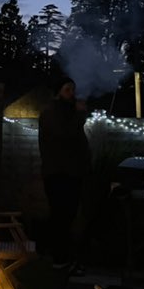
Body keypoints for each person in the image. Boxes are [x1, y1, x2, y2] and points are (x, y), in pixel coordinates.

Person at [38, 73, 92, 272]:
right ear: (58, 93)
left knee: (68, 216)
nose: (72, 94)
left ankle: (64, 258)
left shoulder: (68, 113)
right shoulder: (51, 113)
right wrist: (80, 115)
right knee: (61, 216)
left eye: (73, 89)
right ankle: (58, 259)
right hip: (58, 173)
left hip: (73, 173)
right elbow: (64, 136)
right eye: (67, 90)